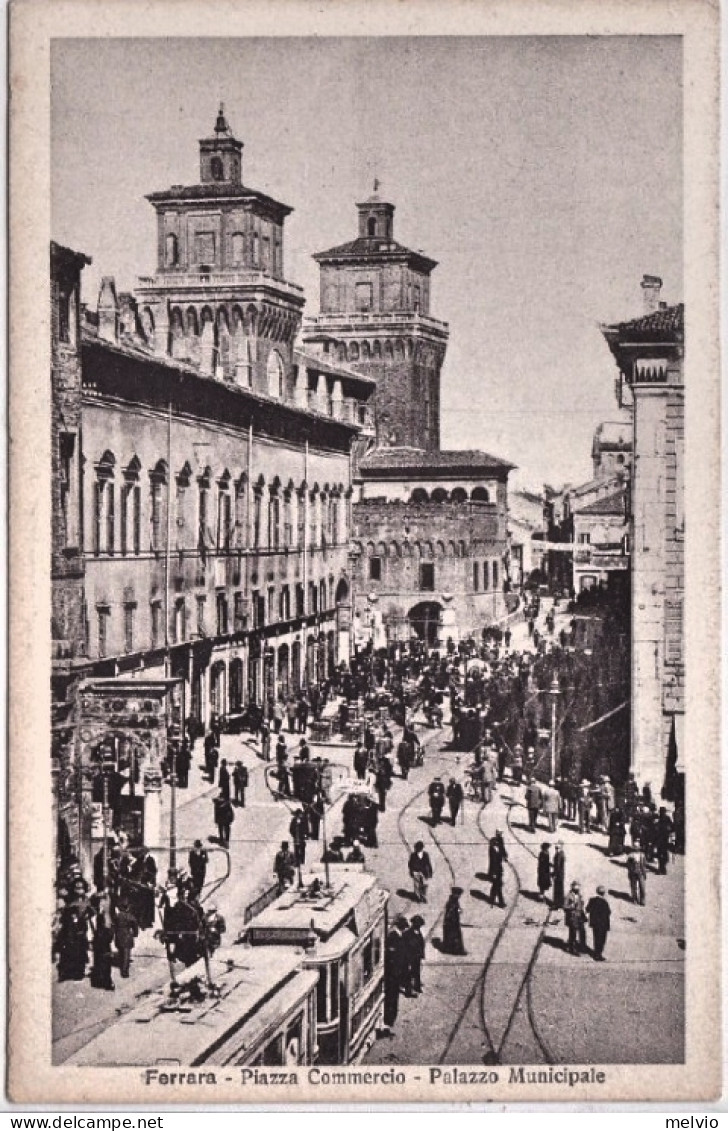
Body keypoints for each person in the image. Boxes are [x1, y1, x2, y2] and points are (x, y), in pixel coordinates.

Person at [382, 916, 408, 1033]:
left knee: (394, 996)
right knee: (392, 997)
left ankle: (390, 1019)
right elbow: (392, 957)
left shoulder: (398, 936)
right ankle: (389, 1020)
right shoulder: (393, 937)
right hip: (393, 974)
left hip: (396, 973)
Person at [90, 911, 115, 990]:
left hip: (98, 952)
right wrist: (112, 929)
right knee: (107, 968)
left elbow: (94, 942)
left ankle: (99, 982)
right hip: (106, 950)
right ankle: (108, 984)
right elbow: (110, 938)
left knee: (99, 967)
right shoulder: (106, 930)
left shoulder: (97, 932)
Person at [585, 886, 612, 961]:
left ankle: (596, 953)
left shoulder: (592, 900)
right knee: (601, 940)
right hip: (603, 924)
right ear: (603, 893)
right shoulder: (604, 902)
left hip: (594, 924)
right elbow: (609, 912)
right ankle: (598, 954)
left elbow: (587, 909)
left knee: (596, 938)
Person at [113, 899, 138, 979]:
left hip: (118, 935)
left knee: (121, 952)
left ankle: (122, 966)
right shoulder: (130, 916)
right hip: (127, 935)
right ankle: (124, 971)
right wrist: (135, 933)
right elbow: (135, 925)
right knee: (126, 954)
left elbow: (114, 925)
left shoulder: (117, 916)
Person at [403, 915, 426, 996]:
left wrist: (422, 954)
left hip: (417, 957)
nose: (419, 927)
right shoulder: (407, 934)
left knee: (416, 972)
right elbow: (406, 947)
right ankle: (408, 991)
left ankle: (417, 986)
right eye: (418, 925)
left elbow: (421, 944)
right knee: (409, 974)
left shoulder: (418, 932)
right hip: (410, 958)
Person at [442, 887, 466, 955]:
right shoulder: (452, 902)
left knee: (452, 937)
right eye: (458, 894)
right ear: (455, 894)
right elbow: (450, 913)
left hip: (452, 922)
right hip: (452, 923)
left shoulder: (454, 900)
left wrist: (458, 910)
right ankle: (456, 951)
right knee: (455, 937)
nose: (459, 896)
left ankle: (450, 949)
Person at [564, 881, 586, 955]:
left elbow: (581, 905)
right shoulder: (568, 896)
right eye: (576, 887)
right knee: (573, 933)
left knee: (582, 932)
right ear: (572, 887)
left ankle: (582, 947)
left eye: (578, 887)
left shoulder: (579, 895)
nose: (578, 888)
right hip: (572, 917)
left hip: (579, 916)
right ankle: (572, 948)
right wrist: (572, 906)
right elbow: (565, 906)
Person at [655, 807, 674, 874]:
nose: (662, 813)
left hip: (662, 839)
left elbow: (672, 827)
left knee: (661, 854)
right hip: (663, 839)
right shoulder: (665, 818)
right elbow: (672, 827)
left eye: (662, 812)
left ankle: (661, 868)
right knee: (663, 854)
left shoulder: (662, 818)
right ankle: (662, 868)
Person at [552, 842, 566, 909]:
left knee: (557, 890)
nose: (556, 849)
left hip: (558, 875)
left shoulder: (559, 855)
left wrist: (554, 874)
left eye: (557, 848)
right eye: (555, 848)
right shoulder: (562, 853)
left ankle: (556, 905)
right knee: (560, 889)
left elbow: (557, 866)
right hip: (561, 875)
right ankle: (561, 904)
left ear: (561, 847)